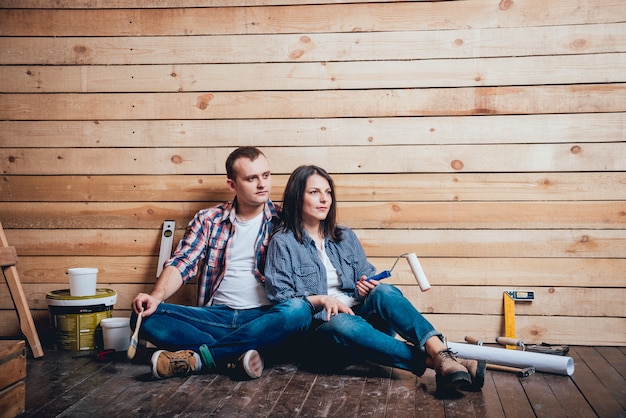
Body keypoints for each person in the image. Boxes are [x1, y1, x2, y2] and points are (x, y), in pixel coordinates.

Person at [264, 165, 486, 393]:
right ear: (296, 195)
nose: (324, 199)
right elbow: (280, 297)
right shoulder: (283, 242)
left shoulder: (344, 236)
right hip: (322, 337)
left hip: (365, 326)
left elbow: (367, 275)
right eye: (314, 192)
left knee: (384, 291)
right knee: (342, 322)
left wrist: (366, 287)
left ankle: (440, 353)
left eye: (328, 192)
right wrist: (321, 299)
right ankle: (442, 363)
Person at [131, 147, 312, 380]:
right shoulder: (209, 220)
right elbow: (183, 261)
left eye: (266, 176)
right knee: (142, 315)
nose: (262, 184)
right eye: (251, 178)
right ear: (232, 185)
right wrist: (155, 297)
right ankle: (237, 354)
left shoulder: (285, 220)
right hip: (215, 318)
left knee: (298, 310)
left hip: (265, 318)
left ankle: (201, 359)